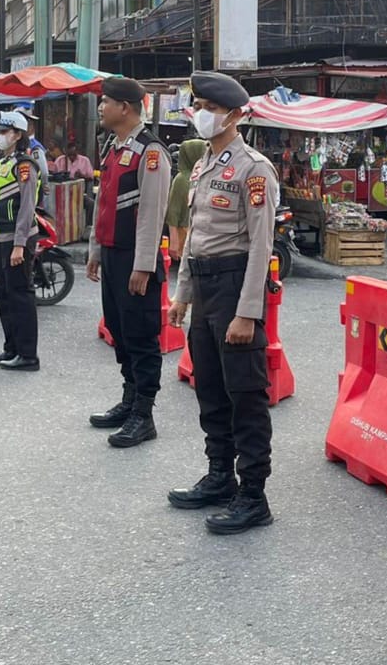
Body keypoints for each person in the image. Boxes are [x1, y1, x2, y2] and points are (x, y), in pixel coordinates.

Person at [167, 71, 280, 535]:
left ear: (234, 115)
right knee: (210, 389)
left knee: (245, 395)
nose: (202, 115)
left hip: (236, 286)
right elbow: (195, 238)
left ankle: (253, 494)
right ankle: (219, 476)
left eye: (210, 108)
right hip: (207, 288)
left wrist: (247, 312)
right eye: (198, 106)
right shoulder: (202, 166)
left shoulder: (255, 168)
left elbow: (260, 244)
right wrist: (182, 295)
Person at [86, 78, 172, 446]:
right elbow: (103, 202)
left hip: (136, 258)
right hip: (112, 253)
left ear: (125, 107)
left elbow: (152, 213)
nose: (101, 107)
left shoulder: (150, 152)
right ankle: (129, 399)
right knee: (120, 333)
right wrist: (94, 249)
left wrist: (143, 265)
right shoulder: (113, 146)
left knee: (141, 337)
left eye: (106, 102)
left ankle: (144, 414)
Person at [0, 111, 42, 371]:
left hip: (19, 239)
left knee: (20, 296)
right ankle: (11, 348)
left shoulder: (25, 165)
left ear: (17, 135)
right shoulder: (2, 163)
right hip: (1, 238)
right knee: (5, 296)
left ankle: (28, 355)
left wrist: (19, 244)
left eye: (3, 132)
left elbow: (27, 207)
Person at [165, 138, 207, 260]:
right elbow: (173, 211)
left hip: (198, 231)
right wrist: (173, 241)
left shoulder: (203, 175)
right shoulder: (181, 179)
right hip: (184, 231)